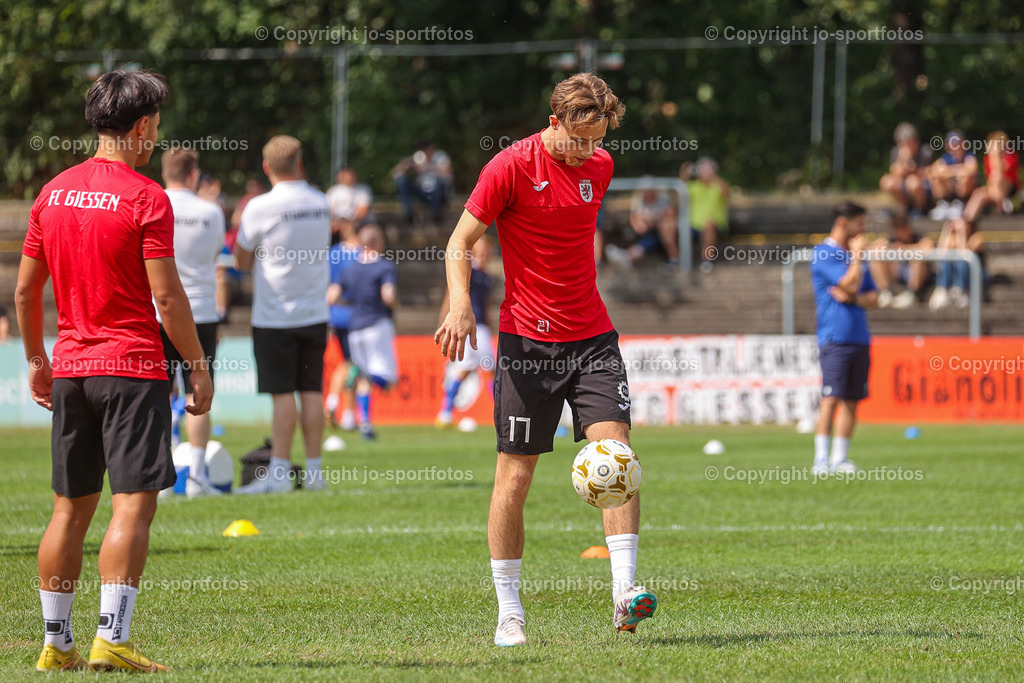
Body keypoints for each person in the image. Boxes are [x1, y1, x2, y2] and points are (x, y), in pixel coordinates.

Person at [434, 73, 657, 647]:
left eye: (598, 139)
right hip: (527, 345)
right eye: (579, 139)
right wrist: (461, 305)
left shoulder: (601, 168)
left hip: (593, 339)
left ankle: (624, 594)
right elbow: (460, 243)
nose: (589, 152)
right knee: (515, 474)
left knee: (616, 454)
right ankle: (510, 612)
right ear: (554, 120)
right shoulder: (508, 167)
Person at [15, 70, 212, 673]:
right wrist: (198, 367)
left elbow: (24, 293)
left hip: (72, 368)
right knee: (131, 506)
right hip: (132, 369)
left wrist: (37, 361)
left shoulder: (52, 192)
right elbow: (169, 300)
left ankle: (56, 643)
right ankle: (113, 639)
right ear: (144, 126)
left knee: (68, 510)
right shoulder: (147, 197)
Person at [234, 135, 330, 494]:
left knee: (281, 395)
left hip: (275, 316)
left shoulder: (259, 207)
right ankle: (316, 473)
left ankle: (278, 473)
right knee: (311, 391)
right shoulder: (321, 202)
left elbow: (241, 261)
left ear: (266, 167)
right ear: (300, 163)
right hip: (315, 312)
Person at [159, 148, 225, 498]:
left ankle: (159, 480)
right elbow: (215, 255)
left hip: (159, 312)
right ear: (193, 173)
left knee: (157, 394)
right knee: (198, 394)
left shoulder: (152, 204)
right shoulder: (211, 212)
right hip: (200, 312)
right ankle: (197, 477)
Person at [810, 201, 878, 476]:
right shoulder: (824, 254)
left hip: (859, 338)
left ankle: (840, 459)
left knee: (852, 399)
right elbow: (849, 282)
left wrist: (854, 296)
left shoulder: (853, 257)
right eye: (859, 223)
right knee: (831, 397)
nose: (862, 229)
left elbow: (874, 298)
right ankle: (820, 460)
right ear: (842, 222)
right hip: (834, 338)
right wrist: (857, 260)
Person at [328, 224, 398, 440]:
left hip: (354, 329)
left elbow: (331, 296)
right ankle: (359, 373)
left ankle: (366, 424)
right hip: (376, 324)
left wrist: (350, 302)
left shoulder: (350, 269)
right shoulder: (384, 267)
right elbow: (388, 296)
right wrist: (394, 304)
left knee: (364, 378)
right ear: (378, 242)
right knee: (390, 378)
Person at [436, 236, 495, 427]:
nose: (484, 254)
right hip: (468, 326)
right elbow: (451, 296)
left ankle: (499, 411)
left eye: (486, 251)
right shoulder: (468, 271)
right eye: (481, 250)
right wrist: (444, 321)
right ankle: (445, 411)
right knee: (467, 368)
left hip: (483, 328)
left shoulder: (486, 277)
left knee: (491, 369)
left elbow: (485, 305)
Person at [324, 221, 362, 430]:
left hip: (336, 314)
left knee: (350, 363)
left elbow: (328, 285)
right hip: (356, 314)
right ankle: (334, 404)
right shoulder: (362, 255)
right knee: (352, 364)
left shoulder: (333, 253)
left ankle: (347, 414)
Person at [868, 211, 934, 309]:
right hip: (898, 272)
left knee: (917, 258)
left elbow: (928, 247)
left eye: (903, 228)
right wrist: (885, 246)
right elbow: (872, 248)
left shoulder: (919, 238)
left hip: (919, 276)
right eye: (897, 229)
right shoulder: (891, 240)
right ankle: (885, 292)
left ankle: (912, 294)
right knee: (876, 257)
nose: (900, 232)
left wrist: (903, 248)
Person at [604, 187, 679, 268]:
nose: (648, 194)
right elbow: (640, 228)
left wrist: (654, 220)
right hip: (653, 233)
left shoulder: (664, 201)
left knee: (664, 229)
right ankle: (627, 256)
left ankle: (674, 258)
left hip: (668, 231)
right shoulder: (640, 203)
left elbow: (671, 216)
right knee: (649, 240)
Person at [928, 217, 985, 311]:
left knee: (961, 264)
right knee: (945, 262)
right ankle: (943, 290)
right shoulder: (951, 238)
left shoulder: (976, 238)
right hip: (953, 274)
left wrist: (961, 233)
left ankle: (961, 290)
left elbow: (963, 254)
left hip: (974, 274)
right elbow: (940, 254)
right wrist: (946, 231)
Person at [392, 139, 453, 225]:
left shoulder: (440, 157)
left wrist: (427, 166)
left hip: (439, 195)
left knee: (438, 182)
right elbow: (395, 173)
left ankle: (437, 213)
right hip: (424, 193)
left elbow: (447, 172)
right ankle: (408, 212)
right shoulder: (418, 158)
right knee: (402, 181)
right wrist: (407, 167)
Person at [964, 130, 1020, 222]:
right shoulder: (988, 158)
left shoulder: (1011, 156)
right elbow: (990, 179)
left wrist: (996, 156)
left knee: (998, 177)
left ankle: (1001, 206)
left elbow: (1001, 172)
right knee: (978, 194)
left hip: (1009, 190)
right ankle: (967, 221)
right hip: (994, 190)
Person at [685, 157, 729, 270]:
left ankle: (707, 259)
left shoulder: (718, 185)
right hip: (693, 225)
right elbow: (678, 198)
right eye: (701, 169)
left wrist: (712, 176)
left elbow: (726, 192)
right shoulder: (693, 186)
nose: (703, 172)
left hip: (714, 225)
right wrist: (684, 174)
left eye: (706, 169)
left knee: (708, 225)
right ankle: (676, 260)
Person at [879, 122, 932, 215]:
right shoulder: (896, 152)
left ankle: (918, 209)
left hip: (922, 187)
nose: (906, 146)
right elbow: (894, 173)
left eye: (908, 142)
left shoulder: (925, 151)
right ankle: (905, 208)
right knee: (886, 181)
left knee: (912, 182)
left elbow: (928, 173)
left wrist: (913, 170)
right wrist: (902, 160)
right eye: (902, 143)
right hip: (904, 184)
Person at [927, 130, 978, 220]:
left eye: (958, 144)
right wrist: (956, 171)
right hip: (950, 188)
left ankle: (961, 203)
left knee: (964, 178)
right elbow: (933, 171)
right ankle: (943, 203)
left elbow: (971, 169)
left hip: (966, 191)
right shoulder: (946, 158)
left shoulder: (969, 156)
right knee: (937, 179)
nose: (956, 148)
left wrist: (947, 171)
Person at [325, 167, 374, 242]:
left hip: (359, 224)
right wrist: (336, 223)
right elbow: (330, 210)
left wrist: (347, 224)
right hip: (339, 223)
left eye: (349, 175)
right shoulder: (333, 191)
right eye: (345, 175)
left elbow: (362, 212)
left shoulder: (362, 190)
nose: (348, 177)